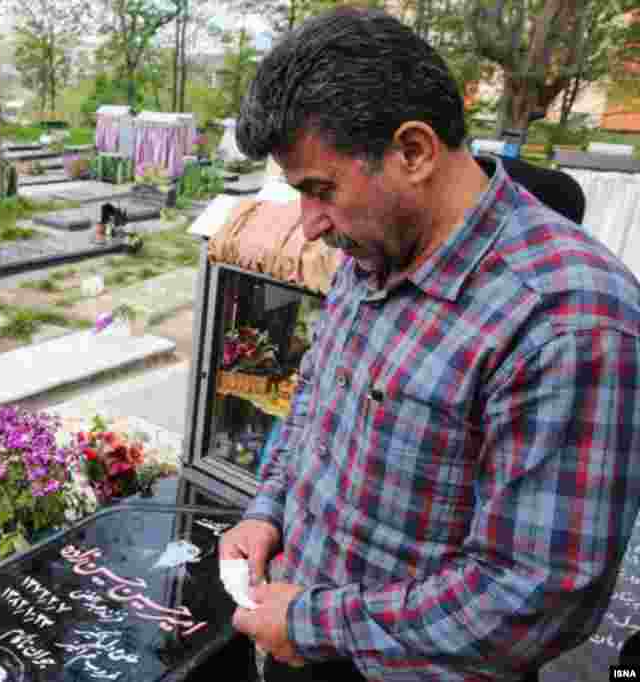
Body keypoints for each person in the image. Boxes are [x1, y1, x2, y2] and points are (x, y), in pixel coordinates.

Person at [221, 7, 640, 681]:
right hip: (296, 629)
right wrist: (268, 512)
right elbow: (314, 413)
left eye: (320, 190)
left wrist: (312, 622)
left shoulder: (566, 320)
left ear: (413, 152)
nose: (307, 226)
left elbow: (533, 595)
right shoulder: (373, 252)